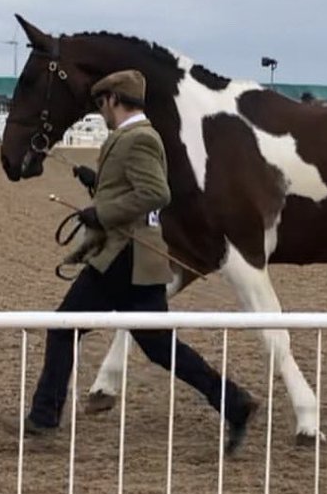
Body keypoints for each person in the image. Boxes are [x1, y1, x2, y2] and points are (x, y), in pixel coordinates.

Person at [23, 68, 259, 454]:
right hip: (134, 260)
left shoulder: (139, 139)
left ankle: (44, 418)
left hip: (122, 257)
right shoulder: (131, 137)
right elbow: (131, 187)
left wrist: (102, 213)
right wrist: (96, 183)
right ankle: (235, 403)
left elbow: (155, 193)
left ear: (115, 99)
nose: (101, 110)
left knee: (63, 328)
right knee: (160, 348)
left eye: (102, 103)